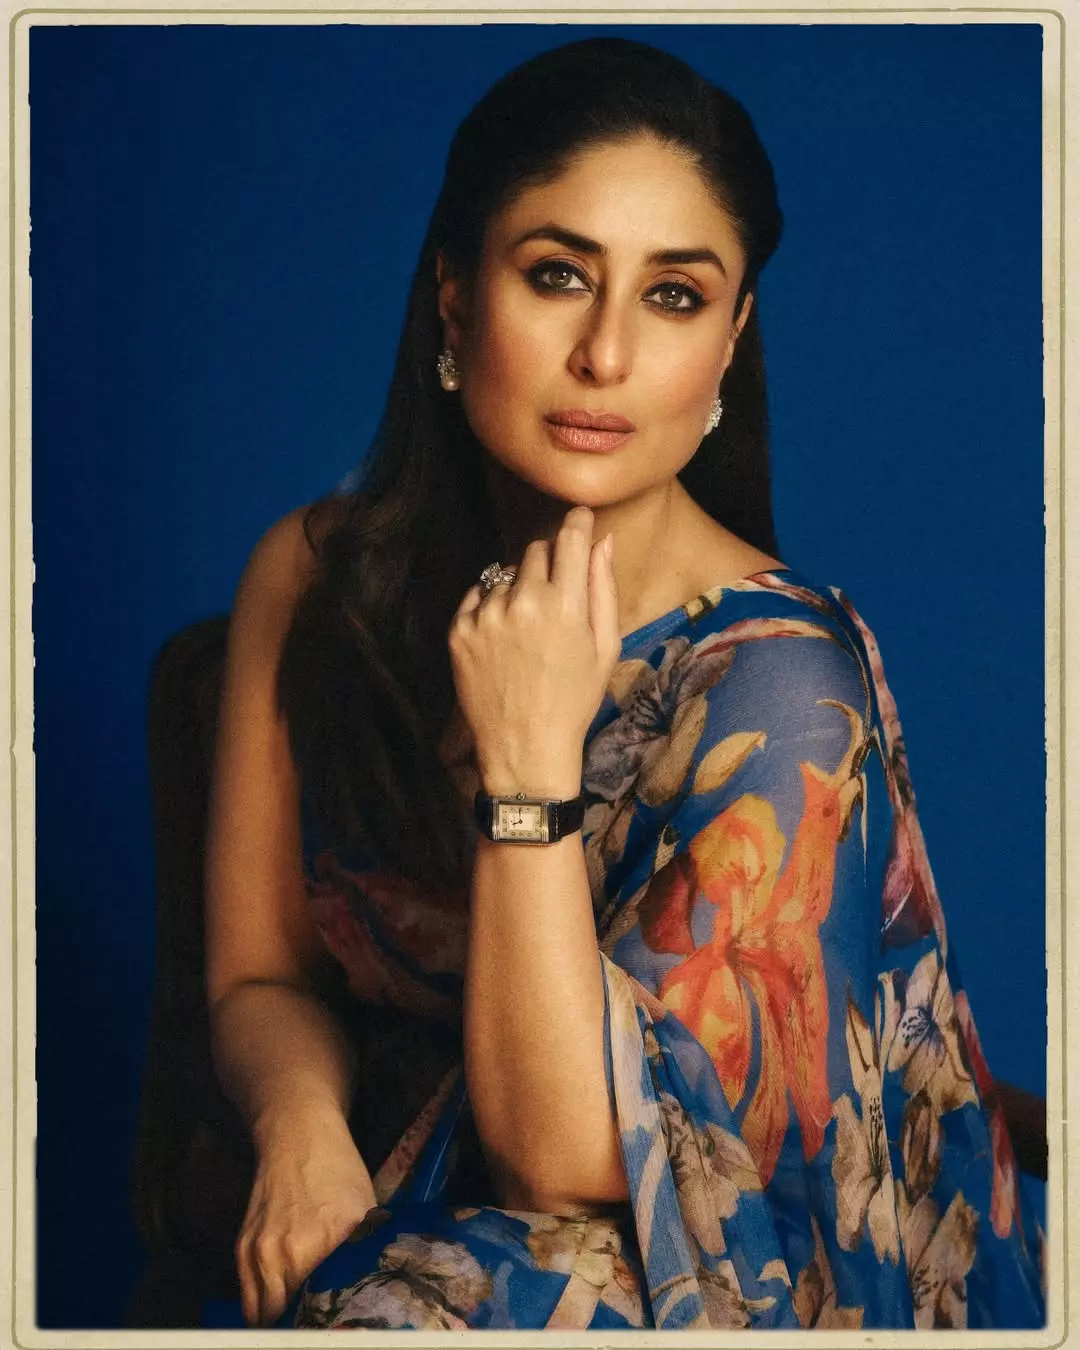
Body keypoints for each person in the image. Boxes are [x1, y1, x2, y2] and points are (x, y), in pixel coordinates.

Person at [203, 36, 1046, 1331]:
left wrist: (528, 760)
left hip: (709, 1263)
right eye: (558, 275)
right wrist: (301, 1124)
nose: (605, 353)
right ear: (453, 296)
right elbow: (257, 975)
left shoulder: (782, 687)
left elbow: (561, 1159)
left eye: (673, 296)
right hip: (426, 1202)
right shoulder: (320, 581)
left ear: (731, 338)